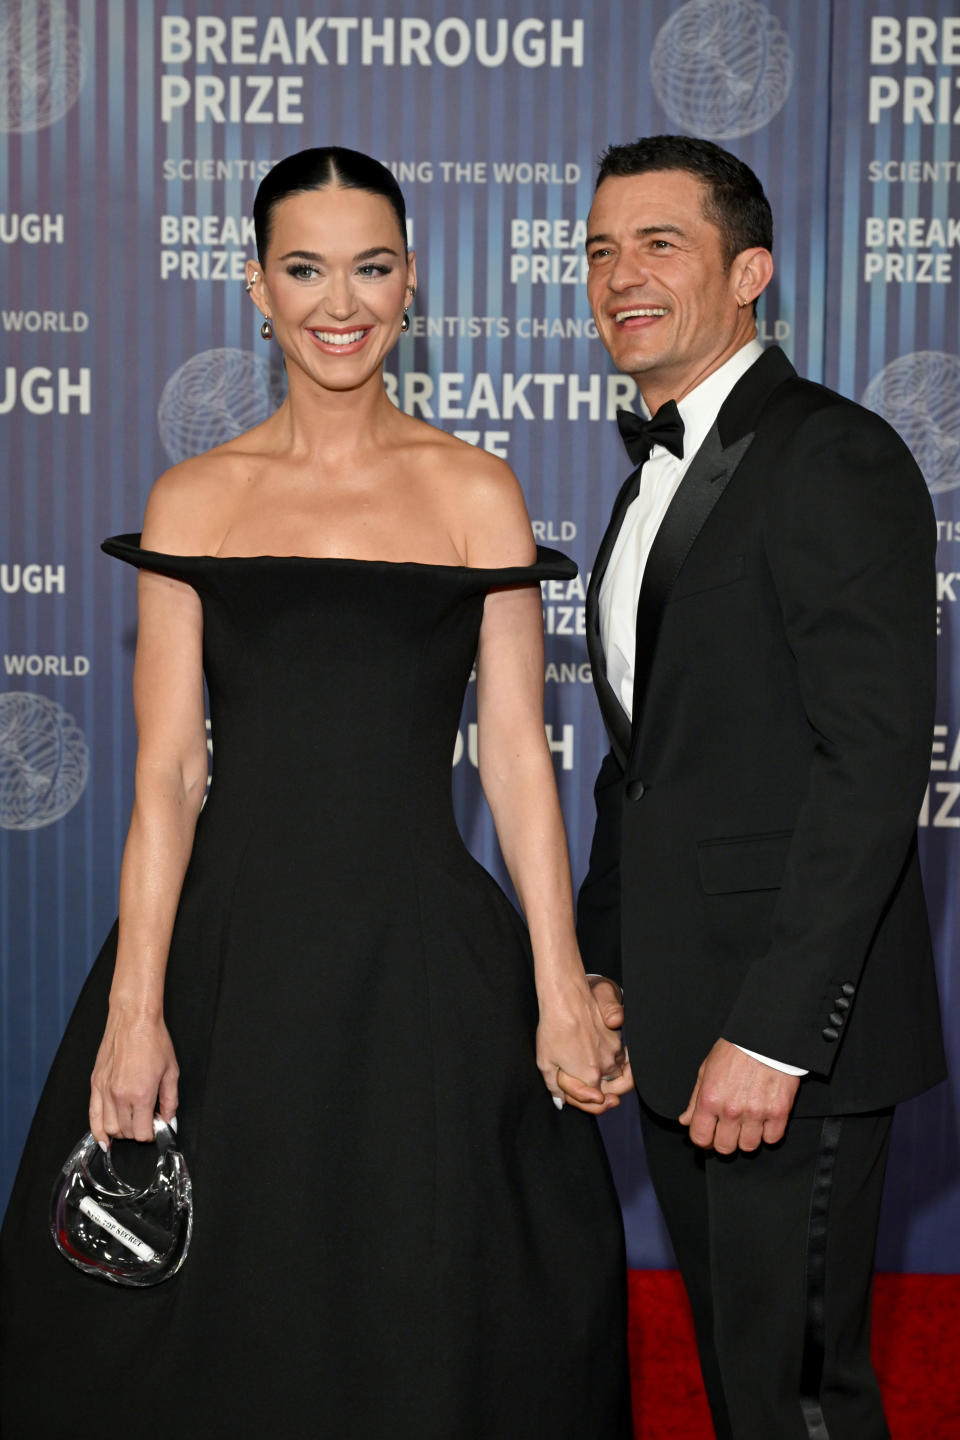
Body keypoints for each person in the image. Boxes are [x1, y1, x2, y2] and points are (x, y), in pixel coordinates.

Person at [0, 147, 635, 1439]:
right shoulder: (195, 498)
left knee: (435, 1294)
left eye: (371, 266)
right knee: (207, 1313)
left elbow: (518, 758)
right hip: (233, 958)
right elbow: (170, 772)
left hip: (420, 963)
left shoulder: (475, 492)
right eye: (305, 268)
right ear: (255, 287)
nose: (338, 301)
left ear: (410, 286)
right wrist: (137, 1011)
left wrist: (562, 988)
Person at [572, 134, 945, 1440]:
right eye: (603, 248)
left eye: (659, 243)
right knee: (745, 1395)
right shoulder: (642, 492)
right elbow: (646, 776)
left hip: (788, 1048)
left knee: (799, 1402)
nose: (622, 273)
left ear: (752, 273)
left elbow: (872, 766)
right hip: (678, 1026)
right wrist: (600, 966)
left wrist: (781, 1032)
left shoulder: (829, 456)